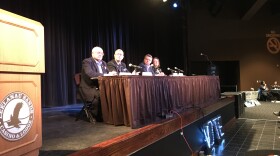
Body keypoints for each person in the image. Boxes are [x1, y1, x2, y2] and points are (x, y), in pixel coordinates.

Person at [80, 46, 109, 122]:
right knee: (100, 94)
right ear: (92, 53)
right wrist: (103, 75)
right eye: (98, 53)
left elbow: (107, 73)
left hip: (101, 86)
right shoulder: (87, 61)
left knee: (111, 93)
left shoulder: (104, 63)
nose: (100, 54)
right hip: (89, 87)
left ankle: (109, 115)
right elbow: (89, 73)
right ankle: (96, 115)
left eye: (101, 53)